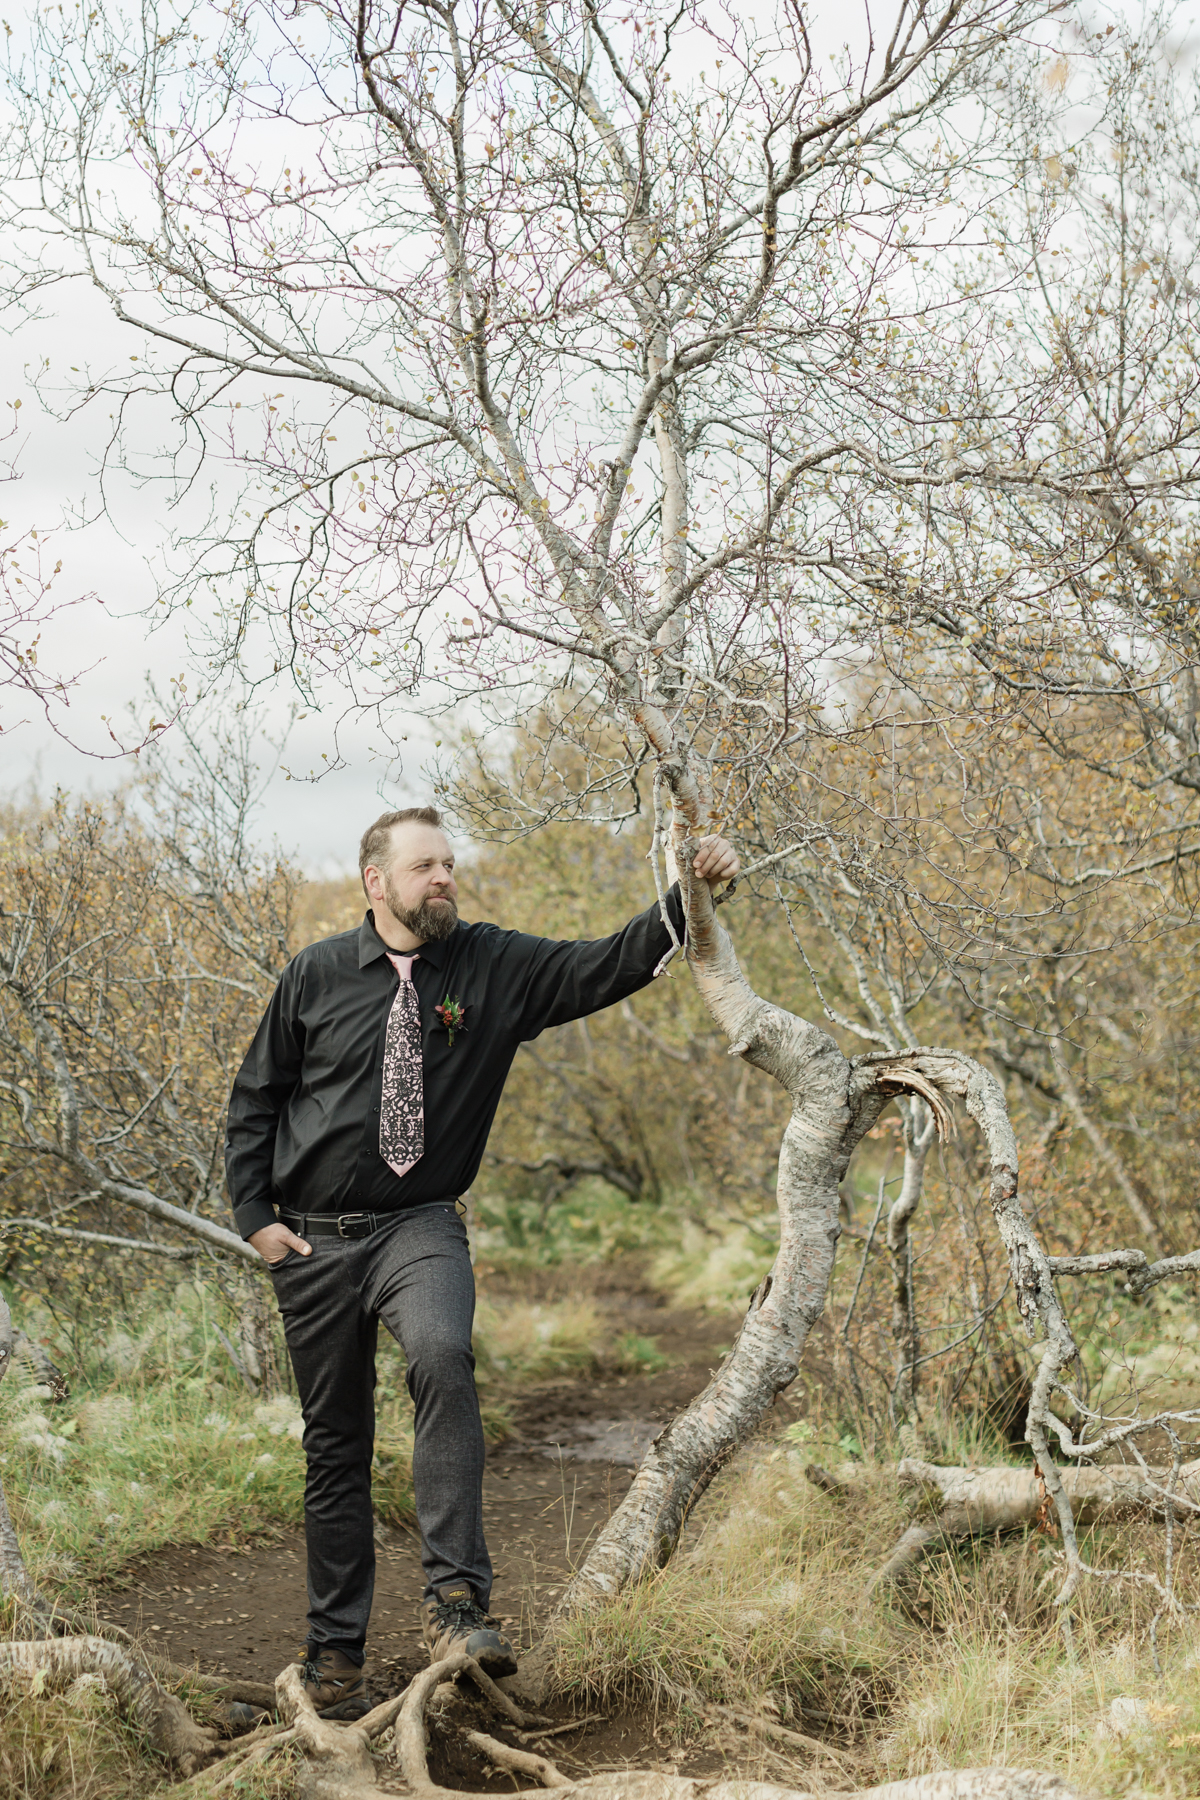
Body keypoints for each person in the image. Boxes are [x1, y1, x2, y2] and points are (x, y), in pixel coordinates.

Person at [225, 807, 738, 1718]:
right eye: (425, 867)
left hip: (419, 1225)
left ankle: (458, 1605)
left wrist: (688, 895)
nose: (444, 880)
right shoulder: (314, 975)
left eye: (450, 865)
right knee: (336, 1445)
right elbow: (256, 1097)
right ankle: (334, 1655)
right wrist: (256, 1219)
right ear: (376, 882)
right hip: (312, 1241)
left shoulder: (490, 966)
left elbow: (604, 962)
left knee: (443, 1358)